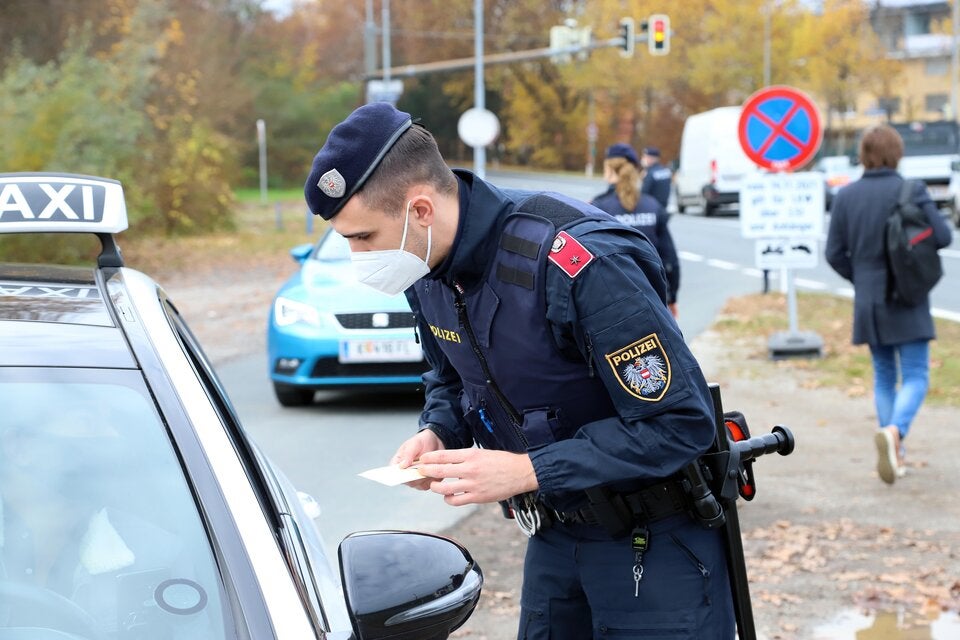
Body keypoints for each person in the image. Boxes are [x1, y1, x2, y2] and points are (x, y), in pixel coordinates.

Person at [304, 102, 736, 638]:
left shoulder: (577, 262)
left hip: (655, 544)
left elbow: (679, 423)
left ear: (421, 210)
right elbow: (451, 377)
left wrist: (529, 470)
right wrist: (438, 430)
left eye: (363, 237)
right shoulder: (425, 267)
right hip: (556, 537)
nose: (358, 257)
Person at [825, 123, 952, 485]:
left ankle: (896, 450)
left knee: (884, 375)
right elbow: (943, 236)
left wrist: (861, 278)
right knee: (916, 374)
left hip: (869, 299)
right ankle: (896, 432)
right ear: (897, 153)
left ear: (863, 154)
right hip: (908, 294)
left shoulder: (846, 196)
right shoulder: (911, 190)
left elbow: (834, 253)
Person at [591, 142, 681, 317]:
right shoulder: (653, 206)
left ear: (609, 169)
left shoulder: (598, 208)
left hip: (612, 302)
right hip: (652, 299)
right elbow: (670, 259)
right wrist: (671, 297)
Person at [640, 146, 673, 210]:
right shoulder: (665, 171)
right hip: (663, 208)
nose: (642, 159)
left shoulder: (650, 173)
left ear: (650, 158)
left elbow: (644, 193)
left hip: (652, 208)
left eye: (644, 157)